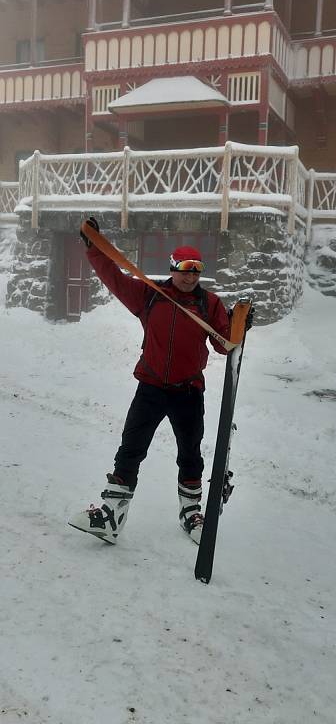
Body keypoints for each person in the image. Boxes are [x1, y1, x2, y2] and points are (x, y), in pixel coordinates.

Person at [68, 217, 231, 545]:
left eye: (196, 270)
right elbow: (115, 278)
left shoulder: (208, 303)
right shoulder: (150, 295)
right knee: (130, 450)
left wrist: (238, 326)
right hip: (152, 387)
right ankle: (112, 515)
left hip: (188, 390)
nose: (190, 276)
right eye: (184, 269)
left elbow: (223, 344)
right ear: (172, 269)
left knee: (190, 453)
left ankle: (191, 514)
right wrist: (95, 250)